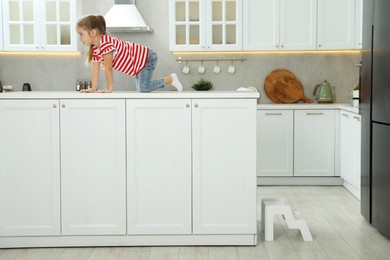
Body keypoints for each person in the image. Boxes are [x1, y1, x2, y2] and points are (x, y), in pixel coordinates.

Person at [76, 15, 183, 93]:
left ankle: (170, 79)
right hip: (137, 64)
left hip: (146, 58)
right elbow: (95, 70)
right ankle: (170, 79)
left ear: (93, 33)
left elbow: (108, 69)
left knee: (143, 89)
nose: (80, 38)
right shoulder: (96, 49)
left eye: (81, 34)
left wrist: (109, 88)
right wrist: (93, 88)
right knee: (142, 88)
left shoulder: (106, 44)